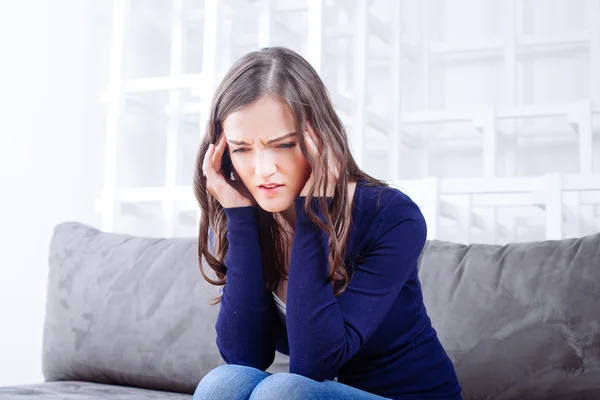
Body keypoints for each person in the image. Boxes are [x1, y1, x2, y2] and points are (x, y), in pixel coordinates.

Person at [192, 47, 462, 400]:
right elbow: (244, 358)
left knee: (284, 393)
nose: (263, 170)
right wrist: (240, 220)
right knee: (222, 383)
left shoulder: (392, 217)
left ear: (319, 138)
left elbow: (312, 364)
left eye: (284, 145)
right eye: (242, 149)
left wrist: (313, 210)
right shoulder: (241, 217)